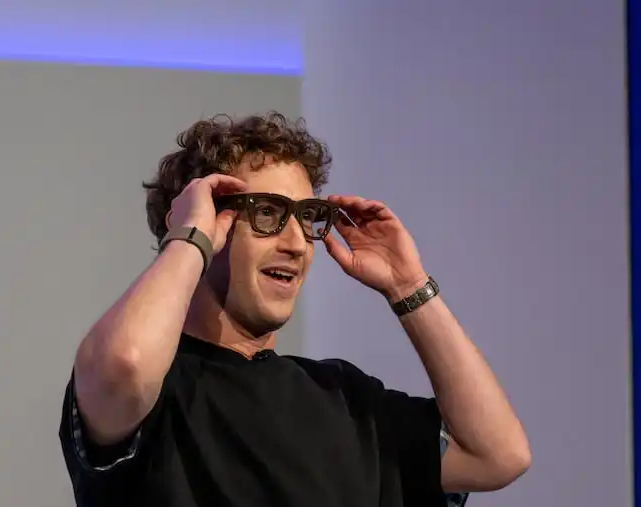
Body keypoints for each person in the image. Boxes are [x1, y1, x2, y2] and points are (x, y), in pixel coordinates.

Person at [58, 112, 531, 507]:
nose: (297, 243)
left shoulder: (345, 398)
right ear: (205, 224)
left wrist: (409, 285)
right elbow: (126, 363)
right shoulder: (155, 395)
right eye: (267, 213)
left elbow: (498, 455)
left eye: (307, 217)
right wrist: (186, 239)